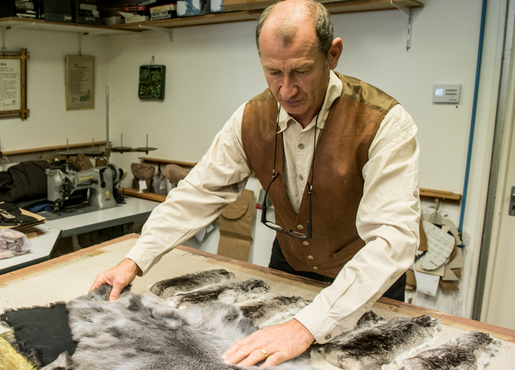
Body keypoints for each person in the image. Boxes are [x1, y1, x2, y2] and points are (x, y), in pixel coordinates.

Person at [91, 0, 419, 367]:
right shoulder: (250, 118)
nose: (286, 90)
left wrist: (304, 326)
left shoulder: (385, 122)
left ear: (334, 54)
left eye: (301, 71)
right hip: (288, 268)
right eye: (273, 72)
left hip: (365, 286)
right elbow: (199, 192)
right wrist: (135, 259)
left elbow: (393, 239)